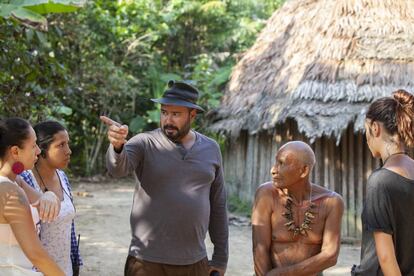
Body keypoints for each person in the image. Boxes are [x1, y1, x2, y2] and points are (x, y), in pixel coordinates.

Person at [100, 80, 228, 276]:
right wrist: (117, 146)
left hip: (194, 262)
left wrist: (220, 257)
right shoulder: (145, 142)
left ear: (192, 115)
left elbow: (218, 204)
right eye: (164, 112)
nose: (168, 120)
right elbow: (117, 169)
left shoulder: (211, 148)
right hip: (146, 261)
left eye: (176, 114)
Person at [252, 141, 344, 276]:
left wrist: (282, 274)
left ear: (304, 170)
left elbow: (330, 255)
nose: (273, 170)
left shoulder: (331, 202)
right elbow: (260, 249)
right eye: (275, 162)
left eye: (281, 163)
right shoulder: (266, 195)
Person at [352, 89, 414, 276]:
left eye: (366, 130)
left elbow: (386, 257)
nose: (367, 138)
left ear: (375, 128)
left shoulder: (380, 182)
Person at [0, 117, 64, 276]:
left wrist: (49, 195)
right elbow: (36, 255)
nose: (38, 151)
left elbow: (42, 199)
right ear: (15, 151)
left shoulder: (15, 181)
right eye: (33, 145)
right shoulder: (10, 192)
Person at [19, 120, 82, 276]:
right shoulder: (24, 180)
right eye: (61, 145)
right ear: (41, 150)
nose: (69, 151)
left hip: (64, 269)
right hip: (34, 271)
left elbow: (70, 230)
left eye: (67, 144)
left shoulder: (63, 177)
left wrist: (75, 265)